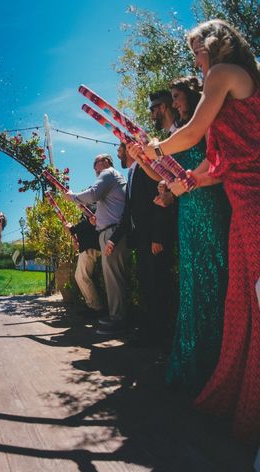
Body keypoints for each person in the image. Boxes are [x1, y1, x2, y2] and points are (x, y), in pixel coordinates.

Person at [131, 19, 259, 442]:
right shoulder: (224, 86)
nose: (196, 62)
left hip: (255, 199)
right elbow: (212, 164)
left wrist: (153, 148)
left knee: (255, 298)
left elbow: (192, 134)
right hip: (240, 200)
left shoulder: (223, 75)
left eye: (196, 53)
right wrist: (187, 178)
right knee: (243, 302)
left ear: (215, 46)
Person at [158, 78, 230, 394]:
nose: (174, 103)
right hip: (187, 211)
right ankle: (190, 360)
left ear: (190, 94)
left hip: (210, 206)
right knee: (191, 284)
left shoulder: (205, 124)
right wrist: (168, 188)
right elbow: (170, 173)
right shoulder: (181, 131)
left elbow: (215, 164)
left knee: (213, 279)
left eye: (176, 97)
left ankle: (215, 364)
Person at [106, 142, 174, 347]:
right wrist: (113, 239)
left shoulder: (148, 169)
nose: (117, 153)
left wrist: (158, 237)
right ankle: (150, 333)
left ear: (130, 150)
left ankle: (161, 337)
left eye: (119, 149)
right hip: (142, 242)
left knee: (158, 288)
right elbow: (128, 215)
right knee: (147, 287)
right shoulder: (132, 174)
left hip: (154, 240)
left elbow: (160, 201)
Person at [66, 154, 129, 335]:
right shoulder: (111, 177)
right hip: (109, 231)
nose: (94, 168)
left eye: (96, 163)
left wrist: (73, 197)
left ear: (106, 162)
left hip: (112, 232)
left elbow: (93, 193)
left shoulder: (108, 173)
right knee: (113, 279)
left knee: (115, 279)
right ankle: (116, 317)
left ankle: (119, 320)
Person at [66, 213, 104, 316]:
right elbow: (87, 227)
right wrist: (78, 241)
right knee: (81, 277)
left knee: (82, 277)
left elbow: (91, 221)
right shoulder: (86, 209)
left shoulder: (91, 205)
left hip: (90, 247)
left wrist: (73, 228)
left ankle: (96, 307)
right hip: (87, 247)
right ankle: (92, 306)